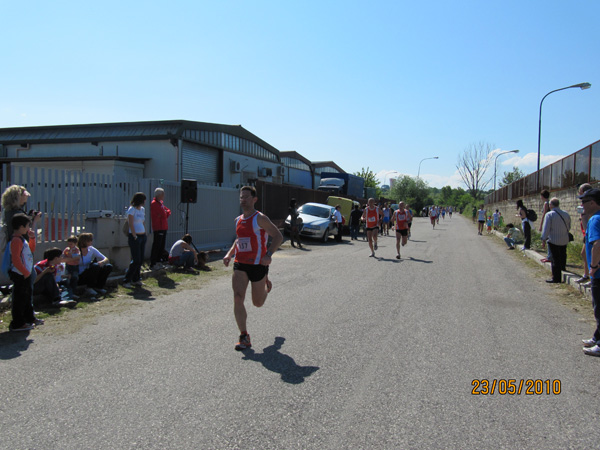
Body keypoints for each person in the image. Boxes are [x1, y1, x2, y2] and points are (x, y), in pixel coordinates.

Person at [223, 186, 283, 351]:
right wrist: (229, 255)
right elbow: (239, 240)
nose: (243, 200)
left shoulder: (260, 218)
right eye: (241, 197)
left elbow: (278, 236)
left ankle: (265, 286)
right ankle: (244, 336)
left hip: (258, 265)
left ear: (254, 199)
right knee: (237, 297)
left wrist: (269, 254)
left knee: (257, 303)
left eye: (246, 197)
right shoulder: (238, 220)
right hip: (240, 264)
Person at [578, 189, 600, 356]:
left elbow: (597, 244)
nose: (581, 205)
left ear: (592, 203)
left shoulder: (595, 220)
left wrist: (593, 266)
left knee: (598, 308)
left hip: (598, 272)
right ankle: (596, 336)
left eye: (584, 202)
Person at [540, 198, 571, 284]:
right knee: (563, 254)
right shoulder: (566, 214)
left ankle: (556, 278)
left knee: (555, 259)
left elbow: (546, 228)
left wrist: (543, 239)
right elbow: (569, 226)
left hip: (553, 239)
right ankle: (563, 268)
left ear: (551, 205)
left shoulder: (549, 215)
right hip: (564, 238)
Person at [1, 185, 42, 249]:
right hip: (21, 248)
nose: (26, 197)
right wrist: (34, 221)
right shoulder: (18, 214)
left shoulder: (7, 211)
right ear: (17, 197)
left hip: (11, 245)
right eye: (24, 195)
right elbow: (28, 233)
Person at [123, 192, 147, 288]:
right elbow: (131, 223)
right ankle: (127, 280)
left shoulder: (142, 209)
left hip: (142, 235)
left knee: (140, 259)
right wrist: (134, 235)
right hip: (135, 236)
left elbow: (142, 222)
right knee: (136, 259)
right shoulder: (132, 209)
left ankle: (136, 279)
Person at [150, 187, 171, 270]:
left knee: (161, 246)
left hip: (164, 226)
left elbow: (167, 211)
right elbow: (163, 214)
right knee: (157, 245)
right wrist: (164, 213)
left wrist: (165, 213)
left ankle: (159, 261)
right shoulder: (154, 203)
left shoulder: (161, 203)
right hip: (158, 227)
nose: (164, 196)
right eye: (163, 194)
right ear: (159, 195)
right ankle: (153, 263)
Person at [577, 183, 593, 285]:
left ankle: (591, 277)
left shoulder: (591, 202)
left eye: (580, 191)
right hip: (586, 233)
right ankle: (586, 275)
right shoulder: (585, 203)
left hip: (590, 234)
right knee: (584, 253)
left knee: (590, 255)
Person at [62, 235, 81, 300]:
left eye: (71, 244)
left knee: (75, 278)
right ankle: (68, 293)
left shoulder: (76, 249)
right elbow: (63, 255)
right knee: (67, 278)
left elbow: (77, 256)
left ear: (75, 244)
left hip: (75, 266)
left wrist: (71, 256)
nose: (70, 245)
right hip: (68, 265)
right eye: (69, 244)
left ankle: (73, 292)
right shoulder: (67, 249)